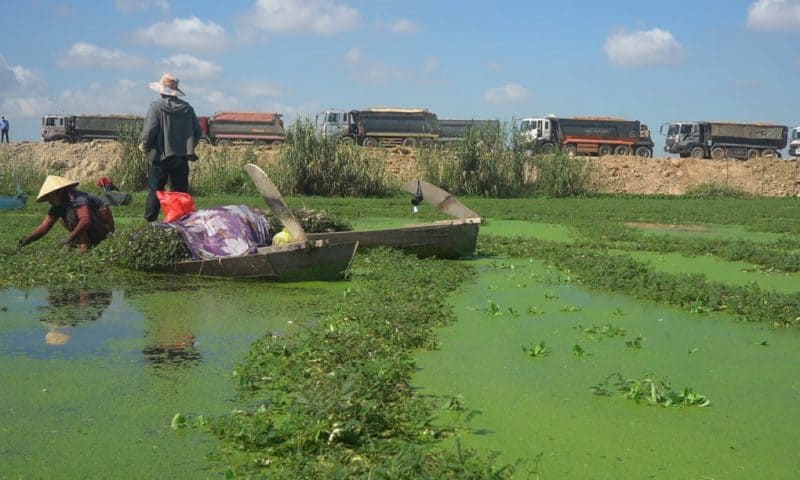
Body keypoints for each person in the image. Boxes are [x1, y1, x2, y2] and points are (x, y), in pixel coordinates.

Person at [141, 73, 201, 222]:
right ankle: (180, 222)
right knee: (180, 192)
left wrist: (145, 145)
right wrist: (189, 147)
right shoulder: (187, 108)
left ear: (162, 91)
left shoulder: (156, 107)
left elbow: (150, 130)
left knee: (156, 190)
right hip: (181, 157)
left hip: (160, 156)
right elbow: (198, 132)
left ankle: (150, 223)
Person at [18, 175, 115, 252]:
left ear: (58, 192)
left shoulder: (78, 198)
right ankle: (83, 241)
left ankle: (85, 245)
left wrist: (69, 239)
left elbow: (85, 221)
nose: (49, 200)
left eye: (50, 196)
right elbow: (45, 227)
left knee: (74, 213)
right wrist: (28, 239)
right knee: (61, 217)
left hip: (104, 231)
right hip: (93, 231)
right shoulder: (58, 206)